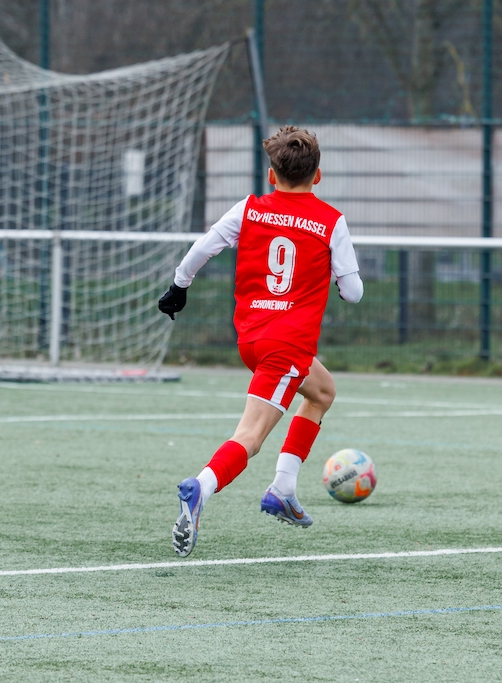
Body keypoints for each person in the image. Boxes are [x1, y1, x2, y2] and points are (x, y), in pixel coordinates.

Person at [158, 126, 363, 557]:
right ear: (318, 176)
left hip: (252, 339)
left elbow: (204, 247)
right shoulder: (331, 221)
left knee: (323, 391)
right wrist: (337, 276)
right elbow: (354, 293)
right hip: (287, 346)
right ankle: (201, 487)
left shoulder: (249, 209)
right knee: (250, 436)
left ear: (272, 175)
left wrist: (179, 286)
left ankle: (283, 489)